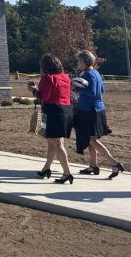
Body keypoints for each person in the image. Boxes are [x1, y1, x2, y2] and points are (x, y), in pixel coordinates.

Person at [73, 50, 125, 179]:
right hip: (98, 109)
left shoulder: (87, 75)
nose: (78, 63)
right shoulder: (96, 73)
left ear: (84, 62)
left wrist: (76, 88)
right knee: (91, 140)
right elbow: (101, 90)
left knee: (92, 140)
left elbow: (91, 92)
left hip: (89, 110)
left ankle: (114, 163)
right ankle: (93, 165)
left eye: (79, 60)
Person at [27, 53, 73, 184]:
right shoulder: (65, 76)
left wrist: (33, 90)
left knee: (57, 144)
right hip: (66, 110)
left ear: (44, 66)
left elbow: (44, 97)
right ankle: (46, 168)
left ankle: (67, 173)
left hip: (53, 111)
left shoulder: (47, 78)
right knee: (53, 142)